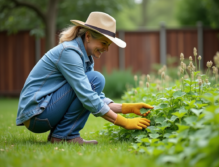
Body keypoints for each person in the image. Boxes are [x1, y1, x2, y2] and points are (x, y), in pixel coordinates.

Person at [16, 11, 153, 145]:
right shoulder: (69, 52)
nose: (106, 49)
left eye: (108, 45)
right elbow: (87, 95)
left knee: (94, 80)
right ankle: (64, 136)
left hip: (42, 112)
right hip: (36, 115)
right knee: (96, 79)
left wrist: (127, 108)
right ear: (88, 36)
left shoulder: (84, 57)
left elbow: (93, 95)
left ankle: (62, 136)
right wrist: (124, 122)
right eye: (104, 43)